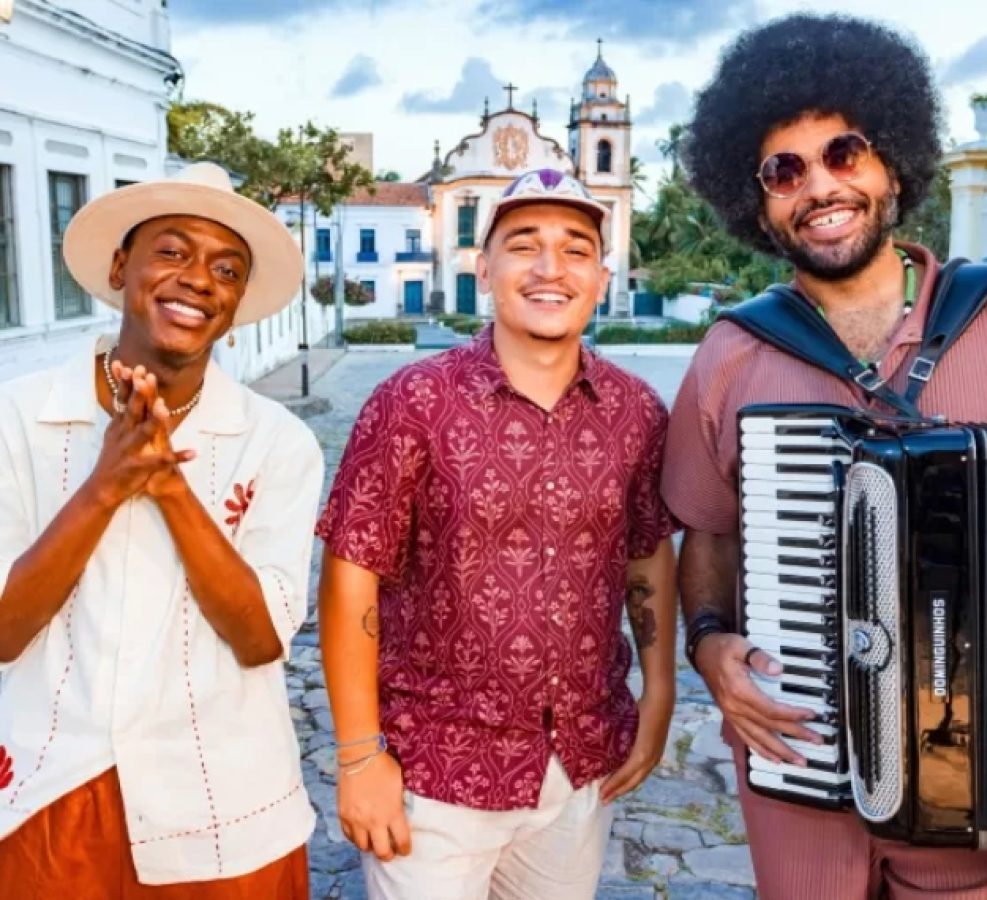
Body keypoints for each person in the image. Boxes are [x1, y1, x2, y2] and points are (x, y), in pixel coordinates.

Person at [662, 14, 987, 900]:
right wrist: (708, 646)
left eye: (843, 153)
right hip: (800, 766)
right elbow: (709, 535)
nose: (819, 186)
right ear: (758, 202)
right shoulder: (731, 354)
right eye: (784, 170)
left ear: (891, 163)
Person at [316, 168, 678, 899]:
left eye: (575, 249)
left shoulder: (636, 411)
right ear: (485, 269)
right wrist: (357, 755)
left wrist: (661, 693)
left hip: (577, 766)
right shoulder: (412, 402)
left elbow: (646, 556)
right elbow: (351, 573)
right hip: (433, 770)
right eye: (523, 245)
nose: (550, 268)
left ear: (601, 278)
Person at [0, 163, 323, 896]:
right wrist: (106, 483)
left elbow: (260, 637)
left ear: (238, 302)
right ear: (121, 267)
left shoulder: (277, 442)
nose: (199, 279)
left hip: (225, 806)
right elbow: (4, 630)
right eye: (172, 251)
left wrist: (168, 486)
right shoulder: (17, 418)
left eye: (227, 269)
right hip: (52, 790)